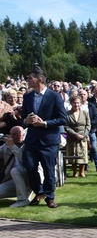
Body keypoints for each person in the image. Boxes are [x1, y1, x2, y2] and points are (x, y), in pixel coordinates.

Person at [21, 66, 67, 208]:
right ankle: (39, 191)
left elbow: (63, 118)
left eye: (30, 78)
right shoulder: (27, 96)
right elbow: (23, 117)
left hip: (49, 140)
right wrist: (26, 121)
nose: (27, 80)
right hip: (32, 140)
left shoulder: (54, 96)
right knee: (29, 166)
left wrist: (45, 123)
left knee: (48, 170)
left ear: (39, 79)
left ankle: (50, 197)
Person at [0, 126, 32, 207]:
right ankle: (23, 194)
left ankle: (23, 199)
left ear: (23, 135)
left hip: (30, 179)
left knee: (15, 170)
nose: (12, 136)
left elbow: (26, 161)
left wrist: (12, 146)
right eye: (11, 134)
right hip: (13, 180)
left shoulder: (28, 145)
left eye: (15, 134)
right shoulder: (6, 146)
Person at [64, 95, 91, 178]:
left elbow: (88, 125)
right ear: (71, 103)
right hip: (72, 137)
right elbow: (66, 126)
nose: (76, 105)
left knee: (83, 154)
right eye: (75, 103)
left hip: (83, 137)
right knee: (73, 155)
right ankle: (75, 172)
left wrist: (83, 135)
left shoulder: (85, 113)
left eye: (78, 103)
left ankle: (82, 172)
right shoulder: (67, 114)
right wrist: (76, 135)